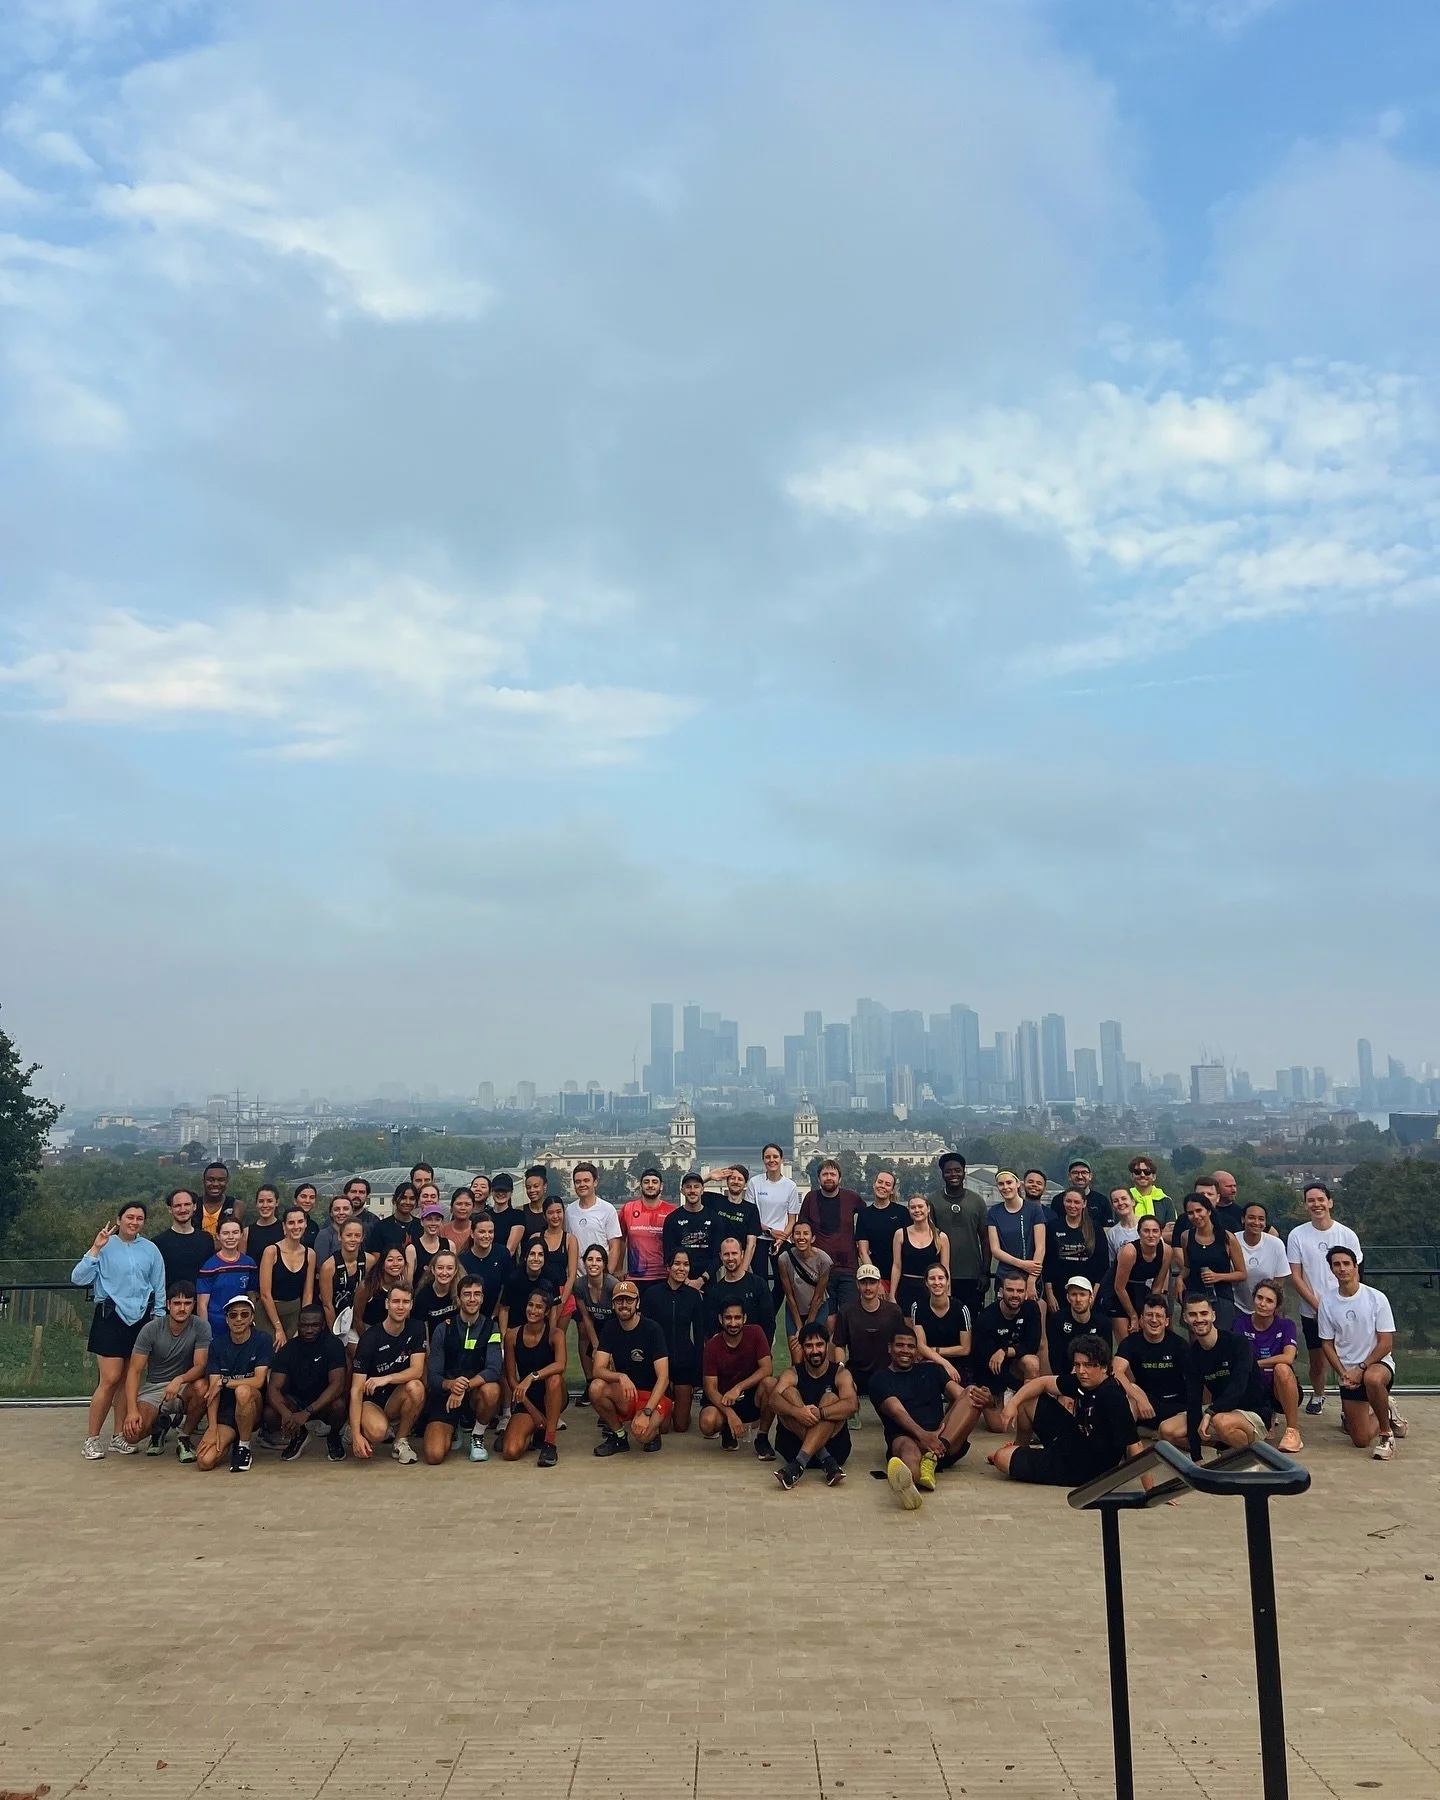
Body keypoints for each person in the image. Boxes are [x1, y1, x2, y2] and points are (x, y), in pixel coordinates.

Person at [72, 1203, 168, 1461]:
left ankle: (118, 1437)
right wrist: (95, 1248)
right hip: (111, 1317)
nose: (134, 1222)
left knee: (129, 1379)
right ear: (119, 1219)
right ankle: (91, 1439)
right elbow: (78, 1278)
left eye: (139, 1218)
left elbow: (159, 1284)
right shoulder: (105, 1246)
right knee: (110, 1378)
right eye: (129, 1217)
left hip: (141, 1320)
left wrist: (159, 1317)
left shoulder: (150, 1249)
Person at [990, 1337, 1142, 1486]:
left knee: (1001, 1458)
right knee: (1028, 1397)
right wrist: (1012, 1404)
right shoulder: (1082, 1381)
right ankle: (1021, 1447)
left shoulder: (1112, 1397)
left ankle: (1018, 1455)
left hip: (1085, 1469)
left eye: (1088, 1365)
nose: (1082, 1371)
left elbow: (1135, 1446)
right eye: (1077, 1365)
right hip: (1074, 1440)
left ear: (1103, 1367)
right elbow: (1042, 1382)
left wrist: (1152, 1490)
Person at [1318, 1248, 1408, 1461]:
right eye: (1337, 1264)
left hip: (1378, 1365)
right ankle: (1385, 1409)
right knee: (1360, 1440)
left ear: (1355, 1266)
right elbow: (1327, 1343)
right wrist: (1343, 1373)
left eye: (1346, 1263)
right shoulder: (1327, 1302)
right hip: (1349, 1374)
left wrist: (1361, 1368)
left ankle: (1386, 1437)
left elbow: (1386, 1343)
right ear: (1331, 1269)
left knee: (1373, 1379)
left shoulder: (1376, 1298)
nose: (1342, 1268)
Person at [870, 1323, 969, 1510]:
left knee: (971, 1394)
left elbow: (960, 1395)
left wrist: (984, 1399)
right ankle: (909, 1485)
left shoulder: (932, 1370)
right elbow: (897, 1411)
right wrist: (923, 1436)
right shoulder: (880, 1379)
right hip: (907, 1437)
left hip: (944, 1439)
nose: (905, 1350)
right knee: (908, 1449)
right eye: (900, 1345)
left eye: (911, 1346)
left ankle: (932, 1457)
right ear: (889, 1348)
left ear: (917, 1350)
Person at [1286, 1183, 1363, 1418]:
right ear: (1305, 1205)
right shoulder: (1297, 1235)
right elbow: (1296, 1276)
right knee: (1318, 1360)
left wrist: (1348, 1303)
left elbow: (1356, 1271)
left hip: (1345, 1309)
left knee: (1349, 1357)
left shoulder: (1346, 1234)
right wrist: (1318, 1306)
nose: (1316, 1204)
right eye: (1311, 1200)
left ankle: (1349, 1402)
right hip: (1312, 1311)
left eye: (1321, 1199)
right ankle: (1318, 1395)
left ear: (1330, 1202)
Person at [944, 1273, 1044, 1450]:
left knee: (1032, 1362)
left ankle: (1032, 1419)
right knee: (999, 1427)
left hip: (1014, 1363)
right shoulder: (987, 1317)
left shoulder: (1031, 1309)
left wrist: (1004, 1351)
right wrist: (1002, 1391)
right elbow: (983, 1361)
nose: (1015, 1294)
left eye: (1020, 1291)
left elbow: (1032, 1345)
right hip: (991, 1373)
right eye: (1010, 1290)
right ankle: (981, 1404)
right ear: (1001, 1291)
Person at [121, 1282, 211, 1456]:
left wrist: (179, 1380)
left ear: (193, 1305)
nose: (182, 1308)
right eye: (177, 1303)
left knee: (203, 1388)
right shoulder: (150, 1329)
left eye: (187, 1303)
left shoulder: (201, 1327)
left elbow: (200, 1366)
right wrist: (131, 1410)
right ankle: (159, 1427)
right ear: (168, 1305)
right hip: (154, 1388)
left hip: (185, 1386)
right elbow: (134, 1371)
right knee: (132, 1435)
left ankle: (184, 1436)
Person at [423, 1274, 503, 1464]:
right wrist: (451, 1384)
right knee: (434, 1456)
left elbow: (494, 1370)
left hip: (474, 1394)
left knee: (492, 1390)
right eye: (467, 1294)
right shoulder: (443, 1329)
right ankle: (454, 1427)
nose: (472, 1299)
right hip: (447, 1397)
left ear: (483, 1298)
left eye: (477, 1294)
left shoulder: (492, 1327)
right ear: (458, 1299)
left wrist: (464, 1387)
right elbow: (433, 1377)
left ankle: (477, 1435)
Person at [1182, 1293, 1272, 1458]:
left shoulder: (1238, 1343)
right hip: (1222, 1411)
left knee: (1221, 1422)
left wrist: (1210, 1412)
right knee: (1169, 1430)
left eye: (1204, 1313)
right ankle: (1227, 1447)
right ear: (1185, 1318)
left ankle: (1249, 1458)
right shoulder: (1192, 1355)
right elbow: (1193, 1402)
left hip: (1254, 1413)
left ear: (1213, 1315)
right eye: (1192, 1314)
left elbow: (1238, 1387)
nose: (1199, 1319)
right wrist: (1197, 1457)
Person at [770, 1320, 857, 1489]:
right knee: (788, 1394)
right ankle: (824, 1457)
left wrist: (821, 1413)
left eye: (819, 1345)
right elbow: (773, 1399)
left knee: (830, 1398)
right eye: (809, 1346)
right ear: (802, 1348)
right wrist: (797, 1412)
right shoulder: (793, 1373)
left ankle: (798, 1466)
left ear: (827, 1346)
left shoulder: (840, 1373)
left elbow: (852, 1405)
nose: (815, 1351)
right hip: (794, 1448)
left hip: (835, 1448)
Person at [590, 1280, 672, 1455]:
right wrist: (620, 1376)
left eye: (629, 1300)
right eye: (619, 1301)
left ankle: (654, 1430)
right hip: (628, 1393)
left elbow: (664, 1378)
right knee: (596, 1387)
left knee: (642, 1435)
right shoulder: (610, 1328)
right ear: (613, 1304)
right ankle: (618, 1436)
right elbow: (597, 1369)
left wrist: (647, 1412)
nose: (624, 1305)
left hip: (654, 1395)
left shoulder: (652, 1329)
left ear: (638, 1302)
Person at [349, 1283, 427, 1465]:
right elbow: (356, 1389)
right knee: (377, 1432)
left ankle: (400, 1441)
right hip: (372, 1400)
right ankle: (355, 1425)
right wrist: (356, 1435)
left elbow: (417, 1370)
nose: (400, 1307)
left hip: (396, 1396)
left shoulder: (416, 1329)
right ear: (387, 1304)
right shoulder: (370, 1338)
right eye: (396, 1301)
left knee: (416, 1387)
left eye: (405, 1302)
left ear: (411, 1305)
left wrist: (386, 1378)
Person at [196, 1294, 272, 1473]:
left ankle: (244, 1447)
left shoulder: (262, 1340)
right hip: (227, 1412)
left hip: (254, 1407)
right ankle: (230, 1442)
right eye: (233, 1315)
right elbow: (213, 1390)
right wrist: (212, 1427)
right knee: (204, 1462)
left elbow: (259, 1380)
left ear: (252, 1318)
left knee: (243, 1391)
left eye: (244, 1315)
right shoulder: (217, 1345)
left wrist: (225, 1382)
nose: (239, 1319)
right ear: (227, 1320)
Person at [264, 1303, 348, 1462]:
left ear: (323, 1325)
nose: (309, 1330)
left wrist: (308, 1412)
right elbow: (273, 1388)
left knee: (339, 1405)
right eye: (304, 1326)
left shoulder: (333, 1345)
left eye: (314, 1325)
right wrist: (286, 1413)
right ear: (298, 1326)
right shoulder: (288, 1349)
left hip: (323, 1402)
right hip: (296, 1401)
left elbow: (337, 1385)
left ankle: (334, 1437)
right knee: (270, 1413)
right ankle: (299, 1435)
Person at [699, 1300, 776, 1455]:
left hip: (750, 1396)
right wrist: (729, 1413)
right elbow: (710, 1388)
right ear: (720, 1319)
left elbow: (767, 1368)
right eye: (728, 1318)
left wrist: (738, 1387)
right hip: (724, 1399)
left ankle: (762, 1437)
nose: (733, 1323)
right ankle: (727, 1429)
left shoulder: (756, 1332)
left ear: (745, 1318)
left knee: (771, 1383)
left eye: (737, 1318)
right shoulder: (713, 1345)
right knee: (707, 1423)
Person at [502, 1288, 568, 1466]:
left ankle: (549, 1443)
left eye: (539, 1307)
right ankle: (534, 1433)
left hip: (552, 1394)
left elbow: (560, 1365)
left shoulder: (555, 1334)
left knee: (554, 1378)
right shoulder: (512, 1336)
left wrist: (532, 1376)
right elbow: (511, 1380)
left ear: (546, 1312)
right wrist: (534, 1413)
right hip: (526, 1398)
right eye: (530, 1305)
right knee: (510, 1451)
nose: (533, 1310)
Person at [1236, 1280, 1303, 1453]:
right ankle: (1265, 1418)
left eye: (1269, 1301)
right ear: (1253, 1298)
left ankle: (1293, 1432)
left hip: (1279, 1389)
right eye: (1259, 1298)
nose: (1263, 1304)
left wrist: (1257, 1363)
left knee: (1282, 1368)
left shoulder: (1286, 1325)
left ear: (1277, 1306)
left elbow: (1288, 1357)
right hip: (1252, 1389)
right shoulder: (1240, 1324)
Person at [831, 1264, 904, 1424]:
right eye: (864, 1283)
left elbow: (901, 1344)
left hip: (887, 1371)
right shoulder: (846, 1311)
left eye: (872, 1283)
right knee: (841, 1379)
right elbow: (839, 1345)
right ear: (857, 1285)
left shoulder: (894, 1311)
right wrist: (840, 1369)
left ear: (879, 1284)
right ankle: (851, 1408)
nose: (868, 1287)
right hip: (858, 1371)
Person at [641, 1249, 704, 1432]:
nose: (681, 1268)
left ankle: (681, 1407)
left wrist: (698, 1370)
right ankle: (667, 1403)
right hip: (660, 1364)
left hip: (685, 1362)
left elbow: (699, 1334)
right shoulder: (652, 1294)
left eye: (685, 1265)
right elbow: (645, 1332)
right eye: (677, 1264)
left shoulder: (693, 1296)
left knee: (681, 1426)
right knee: (663, 1428)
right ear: (668, 1266)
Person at [1112, 1295, 1189, 1444]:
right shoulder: (1131, 1342)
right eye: (1149, 1315)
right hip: (1147, 1406)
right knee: (1127, 1395)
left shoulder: (1179, 1344)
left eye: (1159, 1316)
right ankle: (1131, 1453)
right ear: (1141, 1320)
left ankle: (1156, 1434)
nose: (1154, 1320)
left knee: (1173, 1432)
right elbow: (1116, 1371)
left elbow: (1195, 1377)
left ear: (1166, 1321)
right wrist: (1140, 1398)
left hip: (1177, 1406)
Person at [798, 1158, 863, 1317]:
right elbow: (801, 1230)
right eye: (824, 1174)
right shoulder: (810, 1199)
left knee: (850, 1317)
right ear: (818, 1178)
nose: (829, 1178)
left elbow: (868, 1221)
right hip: (820, 1271)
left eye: (832, 1174)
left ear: (839, 1178)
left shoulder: (852, 1198)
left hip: (848, 1269)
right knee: (828, 1320)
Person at [1174, 1193, 1247, 1329]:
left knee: (1221, 1339)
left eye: (1199, 1211)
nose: (1195, 1216)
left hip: (1221, 1296)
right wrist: (1179, 1279)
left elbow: (1242, 1274)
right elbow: (1188, 1266)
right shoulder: (1186, 1237)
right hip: (1194, 1294)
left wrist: (1218, 1277)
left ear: (1208, 1210)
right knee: (1197, 1339)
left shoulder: (1227, 1238)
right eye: (1190, 1213)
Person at [930, 1153, 989, 1319]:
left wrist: (984, 1272)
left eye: (957, 1170)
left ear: (964, 1172)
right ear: (942, 1174)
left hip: (972, 1275)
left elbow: (985, 1240)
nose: (953, 1174)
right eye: (949, 1171)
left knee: (972, 1320)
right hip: (943, 1275)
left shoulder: (977, 1201)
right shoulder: (933, 1201)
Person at [746, 1142, 802, 1314]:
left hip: (782, 1241)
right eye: (768, 1157)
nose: (772, 1160)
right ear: (763, 1160)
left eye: (775, 1157)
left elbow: (792, 1218)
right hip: (759, 1240)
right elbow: (751, 1216)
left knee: (782, 1284)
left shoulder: (790, 1186)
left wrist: (782, 1237)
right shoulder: (755, 1183)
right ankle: (764, 1316)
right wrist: (769, 1231)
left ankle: (768, 1314)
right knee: (760, 1282)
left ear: (781, 1159)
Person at [1042, 1190, 1108, 1319]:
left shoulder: (1095, 1228)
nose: (1072, 1206)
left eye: (1077, 1202)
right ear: (1063, 1203)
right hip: (1059, 1291)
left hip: (1086, 1293)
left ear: (1084, 1204)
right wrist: (1049, 1294)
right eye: (1068, 1201)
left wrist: (1092, 1296)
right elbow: (1048, 1262)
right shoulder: (1054, 1226)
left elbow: (1103, 1265)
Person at [257, 1206, 315, 1349]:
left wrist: (303, 1323)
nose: (296, 1227)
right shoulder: (271, 1251)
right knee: (275, 1350)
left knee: (295, 1351)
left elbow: (308, 1293)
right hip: (269, 1310)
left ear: (305, 1224)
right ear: (284, 1226)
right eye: (291, 1223)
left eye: (300, 1222)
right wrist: (278, 1328)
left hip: (294, 1310)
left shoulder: (310, 1254)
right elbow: (265, 1294)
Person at [986, 1170, 1047, 1303]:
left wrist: (1031, 1280)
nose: (1006, 1187)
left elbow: (1040, 1247)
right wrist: (1021, 1264)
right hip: (1005, 1275)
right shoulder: (994, 1212)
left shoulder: (1034, 1210)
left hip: (1030, 1275)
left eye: (1009, 1182)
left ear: (1018, 1184)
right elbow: (995, 1250)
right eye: (1001, 1184)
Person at [703, 1235, 775, 1339]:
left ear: (742, 1254)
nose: (730, 1258)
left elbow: (769, 1323)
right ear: (720, 1256)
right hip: (727, 1351)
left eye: (734, 1253)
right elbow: (712, 1330)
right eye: (726, 1254)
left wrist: (763, 1351)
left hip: (755, 1350)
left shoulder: (758, 1285)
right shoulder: (715, 1292)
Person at [777, 1218, 833, 1349]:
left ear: (812, 1238)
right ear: (792, 1237)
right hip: (794, 1309)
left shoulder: (824, 1260)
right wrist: (799, 1326)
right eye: (797, 1234)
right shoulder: (783, 1259)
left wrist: (807, 1326)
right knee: (796, 1350)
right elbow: (789, 1295)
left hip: (818, 1308)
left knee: (814, 1348)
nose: (801, 1237)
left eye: (806, 1234)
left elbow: (819, 1296)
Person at [909, 1264, 971, 1383]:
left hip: (958, 1363)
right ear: (926, 1283)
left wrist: (934, 1350)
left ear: (947, 1281)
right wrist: (944, 1363)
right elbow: (921, 1346)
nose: (937, 1282)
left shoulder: (961, 1309)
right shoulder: (917, 1307)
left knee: (959, 1393)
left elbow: (965, 1349)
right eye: (932, 1279)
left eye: (941, 1278)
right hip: (929, 1361)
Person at [196, 1219, 259, 1334]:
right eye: (225, 1233)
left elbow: (252, 1296)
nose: (231, 1237)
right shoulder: (209, 1267)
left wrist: (249, 1319)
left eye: (235, 1232)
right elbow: (202, 1304)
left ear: (241, 1234)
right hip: (216, 1327)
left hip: (242, 1326)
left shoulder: (249, 1264)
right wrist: (205, 1333)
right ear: (218, 1236)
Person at [1112, 1216, 1170, 1339]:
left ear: (1160, 1232)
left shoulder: (1167, 1251)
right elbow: (1119, 1287)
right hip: (1117, 1291)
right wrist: (1133, 1316)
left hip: (1141, 1289)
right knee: (1127, 1338)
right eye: (1146, 1231)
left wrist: (1150, 1310)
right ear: (1139, 1233)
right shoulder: (1129, 1252)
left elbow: (1157, 1286)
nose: (1151, 1235)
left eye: (1155, 1231)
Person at [663, 1171, 720, 1293]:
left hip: (708, 1283)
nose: (692, 1190)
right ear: (682, 1191)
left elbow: (718, 1256)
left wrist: (701, 1280)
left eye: (696, 1187)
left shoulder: (714, 1218)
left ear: (702, 1190)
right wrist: (686, 1281)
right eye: (688, 1187)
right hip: (679, 1283)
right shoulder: (672, 1219)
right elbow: (668, 1254)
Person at [574, 1243, 621, 1393]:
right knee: (596, 1360)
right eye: (590, 1259)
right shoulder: (579, 1285)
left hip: (617, 1328)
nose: (594, 1263)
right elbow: (586, 1317)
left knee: (613, 1362)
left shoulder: (613, 1285)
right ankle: (591, 1387)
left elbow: (622, 1318)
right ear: (584, 1262)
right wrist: (596, 1347)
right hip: (596, 1327)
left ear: (604, 1264)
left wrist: (609, 1349)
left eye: (598, 1260)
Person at [891, 1193, 948, 1315]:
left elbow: (945, 1269)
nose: (917, 1210)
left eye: (920, 1206)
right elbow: (896, 1266)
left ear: (928, 1209)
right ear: (909, 1210)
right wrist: (892, 1295)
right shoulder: (900, 1234)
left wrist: (947, 1295)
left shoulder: (941, 1237)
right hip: (907, 1289)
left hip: (932, 1290)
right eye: (913, 1207)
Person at [618, 1169, 675, 1288]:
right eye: (646, 1182)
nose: (650, 1185)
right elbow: (620, 1241)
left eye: (654, 1182)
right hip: (635, 1277)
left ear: (661, 1186)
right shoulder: (628, 1209)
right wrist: (618, 1269)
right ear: (641, 1185)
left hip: (664, 1277)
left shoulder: (671, 1211)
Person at [319, 1219, 373, 1342]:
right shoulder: (328, 1267)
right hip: (338, 1319)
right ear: (340, 1236)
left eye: (357, 1235)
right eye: (348, 1235)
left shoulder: (369, 1261)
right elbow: (327, 1305)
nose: (353, 1239)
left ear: (362, 1238)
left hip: (362, 1318)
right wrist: (336, 1335)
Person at [1234, 1202, 1290, 1321]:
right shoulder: (1232, 1241)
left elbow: (1279, 1280)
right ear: (1243, 1219)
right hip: (1237, 1305)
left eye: (1261, 1219)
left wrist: (1270, 1305)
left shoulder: (1276, 1244)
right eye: (1251, 1218)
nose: (1256, 1222)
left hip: (1267, 1306)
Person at [151, 1188, 214, 1293]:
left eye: (187, 1204)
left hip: (200, 1303)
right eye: (177, 1206)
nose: (182, 1209)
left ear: (194, 1207)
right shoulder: (158, 1243)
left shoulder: (206, 1240)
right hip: (169, 1304)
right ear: (170, 1209)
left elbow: (210, 1276)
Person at [1047, 1275, 1112, 1373]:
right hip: (1065, 1375)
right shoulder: (1058, 1320)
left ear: (1091, 1298)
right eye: (1073, 1294)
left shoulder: (1103, 1322)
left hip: (1094, 1374)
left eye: (1082, 1294)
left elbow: (1106, 1357)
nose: (1078, 1299)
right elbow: (1055, 1356)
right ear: (1068, 1298)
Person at [565, 1162, 624, 1269]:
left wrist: (607, 1274)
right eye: (578, 1182)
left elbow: (614, 1247)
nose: (582, 1185)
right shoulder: (569, 1210)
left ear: (595, 1182)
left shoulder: (608, 1209)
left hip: (600, 1277)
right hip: (576, 1278)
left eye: (586, 1181)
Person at [856, 1170, 906, 1292]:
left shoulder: (902, 1213)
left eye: (887, 1184)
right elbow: (863, 1252)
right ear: (874, 1184)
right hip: (877, 1277)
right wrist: (875, 1280)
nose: (883, 1186)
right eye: (880, 1182)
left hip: (902, 1276)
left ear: (893, 1190)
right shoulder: (864, 1215)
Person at [708, 1165, 762, 1274]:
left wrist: (743, 1271)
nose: (736, 1182)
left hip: (740, 1261)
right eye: (732, 1178)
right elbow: (692, 1189)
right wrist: (709, 1176)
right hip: (717, 1263)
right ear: (727, 1181)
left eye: (740, 1179)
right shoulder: (716, 1201)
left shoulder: (751, 1209)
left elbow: (751, 1244)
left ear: (745, 1184)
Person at [459, 1211, 512, 1318]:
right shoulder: (462, 1260)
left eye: (490, 1232)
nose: (487, 1236)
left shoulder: (503, 1254)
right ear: (472, 1234)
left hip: (496, 1316)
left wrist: (496, 1313)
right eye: (482, 1232)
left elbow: (506, 1287)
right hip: (470, 1316)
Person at [353, 1245, 411, 1337]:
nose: (395, 1263)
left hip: (392, 1331)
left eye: (400, 1259)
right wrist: (367, 1342)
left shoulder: (404, 1283)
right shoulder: (367, 1286)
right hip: (365, 1330)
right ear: (382, 1264)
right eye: (390, 1260)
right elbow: (357, 1318)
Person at [501, 1238, 556, 1332]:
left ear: (545, 1258)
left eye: (540, 1255)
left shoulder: (551, 1277)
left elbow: (553, 1308)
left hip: (541, 1329)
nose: (536, 1259)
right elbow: (504, 1309)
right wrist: (504, 1337)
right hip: (516, 1327)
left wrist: (550, 1334)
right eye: (532, 1254)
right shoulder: (513, 1278)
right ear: (526, 1257)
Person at [536, 1195, 579, 1315]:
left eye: (559, 1212)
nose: (555, 1216)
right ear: (544, 1216)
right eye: (550, 1213)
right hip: (539, 1293)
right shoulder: (536, 1238)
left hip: (563, 1291)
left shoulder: (570, 1240)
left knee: (558, 1333)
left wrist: (561, 1301)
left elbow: (571, 1276)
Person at [410, 1249, 462, 1338]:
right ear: (433, 1270)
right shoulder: (423, 1296)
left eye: (449, 1268)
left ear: (455, 1270)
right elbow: (418, 1329)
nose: (444, 1272)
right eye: (440, 1268)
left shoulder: (460, 1291)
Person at [1058, 1159, 1115, 1231]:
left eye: (1084, 1172)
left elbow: (1108, 1229)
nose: (1080, 1176)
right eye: (1075, 1172)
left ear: (1090, 1176)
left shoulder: (1102, 1201)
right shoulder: (1058, 1200)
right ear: (1069, 1176)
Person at [1127, 1158, 1176, 1238]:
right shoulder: (1125, 1201)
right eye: (1137, 1172)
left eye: (1147, 1172)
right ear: (1132, 1176)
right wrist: (1161, 1234)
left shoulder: (1166, 1201)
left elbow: (1171, 1233)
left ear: (1154, 1176)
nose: (1142, 1175)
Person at [242, 1185, 285, 1268]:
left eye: (269, 1201)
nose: (265, 1205)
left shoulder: (285, 1229)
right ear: (256, 1204)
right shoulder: (246, 1233)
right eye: (261, 1201)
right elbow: (243, 1265)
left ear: (277, 1202)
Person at [486, 1173, 526, 1259]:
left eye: (504, 1191)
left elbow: (510, 1250)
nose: (500, 1193)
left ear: (511, 1192)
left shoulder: (517, 1216)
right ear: (492, 1192)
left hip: (506, 1265)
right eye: (497, 1190)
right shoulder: (485, 1215)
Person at [198, 1162, 243, 1238]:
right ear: (203, 1181)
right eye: (210, 1180)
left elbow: (232, 1238)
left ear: (227, 1182)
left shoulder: (236, 1205)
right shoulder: (193, 1205)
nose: (215, 1184)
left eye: (221, 1180)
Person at [312, 1195, 354, 1272]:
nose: (341, 1212)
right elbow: (321, 1267)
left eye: (346, 1209)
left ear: (352, 1212)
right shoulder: (324, 1235)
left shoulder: (356, 1235)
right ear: (331, 1213)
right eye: (337, 1209)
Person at [413, 1202, 449, 1285]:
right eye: (429, 1219)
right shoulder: (412, 1248)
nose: (433, 1223)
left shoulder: (449, 1245)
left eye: (437, 1219)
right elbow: (409, 1281)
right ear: (422, 1222)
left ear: (441, 1222)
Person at [1211, 1169, 1246, 1237]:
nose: (1234, 1190)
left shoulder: (1242, 1213)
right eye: (1229, 1186)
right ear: (1216, 1188)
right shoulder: (1204, 1213)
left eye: (1234, 1186)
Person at [441, 1188, 475, 1253]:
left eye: (467, 1204)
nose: (463, 1208)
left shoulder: (477, 1230)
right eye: (459, 1204)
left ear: (473, 1207)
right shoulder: (441, 1231)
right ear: (451, 1207)